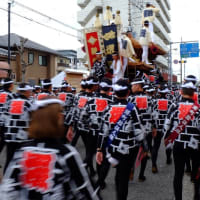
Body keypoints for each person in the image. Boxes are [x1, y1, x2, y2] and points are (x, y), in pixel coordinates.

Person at [0, 97, 98, 200]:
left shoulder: (22, 152)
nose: (62, 115)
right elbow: (86, 191)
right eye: (60, 112)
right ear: (57, 118)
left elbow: (7, 191)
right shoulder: (66, 154)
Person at [96, 79, 145, 200]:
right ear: (128, 92)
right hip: (129, 150)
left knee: (118, 174)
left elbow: (103, 131)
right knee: (123, 178)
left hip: (112, 147)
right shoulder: (132, 108)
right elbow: (139, 134)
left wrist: (99, 149)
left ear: (114, 92)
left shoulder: (109, 108)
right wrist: (143, 144)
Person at [164, 82, 200, 200]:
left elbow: (167, 125)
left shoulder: (174, 106)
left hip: (178, 143)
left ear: (181, 92)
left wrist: (167, 139)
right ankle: (196, 195)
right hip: (195, 144)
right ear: (193, 93)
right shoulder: (198, 108)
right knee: (197, 173)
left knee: (178, 174)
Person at [2, 83, 33, 171]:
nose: (30, 93)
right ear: (26, 92)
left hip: (9, 135)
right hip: (21, 137)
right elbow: (33, 119)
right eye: (29, 91)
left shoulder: (10, 102)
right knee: (20, 161)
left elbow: (3, 117)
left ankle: (6, 180)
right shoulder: (27, 104)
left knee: (9, 159)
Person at [128, 78, 153, 181]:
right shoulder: (150, 99)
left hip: (133, 129)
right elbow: (152, 115)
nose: (132, 87)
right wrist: (154, 127)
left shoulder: (129, 99)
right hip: (146, 130)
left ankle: (131, 169)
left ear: (138, 86)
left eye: (133, 86)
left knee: (132, 151)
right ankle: (141, 175)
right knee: (144, 151)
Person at [151, 84, 173, 173]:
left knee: (155, 146)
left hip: (157, 127)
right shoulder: (171, 103)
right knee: (168, 144)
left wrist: (153, 127)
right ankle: (168, 159)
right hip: (167, 128)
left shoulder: (154, 102)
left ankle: (154, 165)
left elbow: (152, 115)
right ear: (167, 93)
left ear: (159, 93)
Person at [0, 78, 15, 153]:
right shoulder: (10, 96)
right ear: (10, 85)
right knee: (3, 140)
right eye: (12, 84)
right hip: (4, 122)